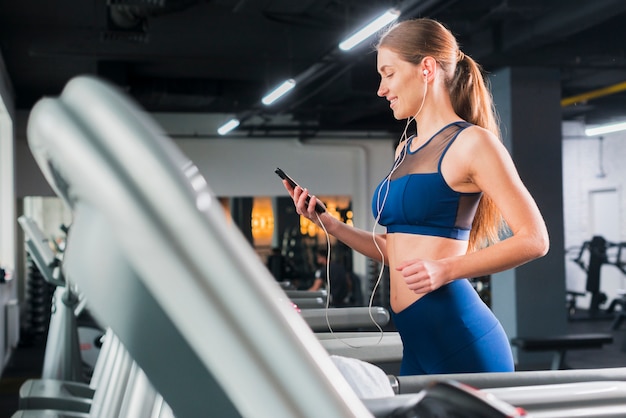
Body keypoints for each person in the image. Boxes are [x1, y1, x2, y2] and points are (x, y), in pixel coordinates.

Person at [281, 18, 549, 376]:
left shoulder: (473, 143)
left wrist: (446, 268)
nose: (381, 89)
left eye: (388, 74)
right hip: (417, 343)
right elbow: (396, 251)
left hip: (460, 341)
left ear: (426, 68)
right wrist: (328, 224)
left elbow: (535, 239)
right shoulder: (405, 148)